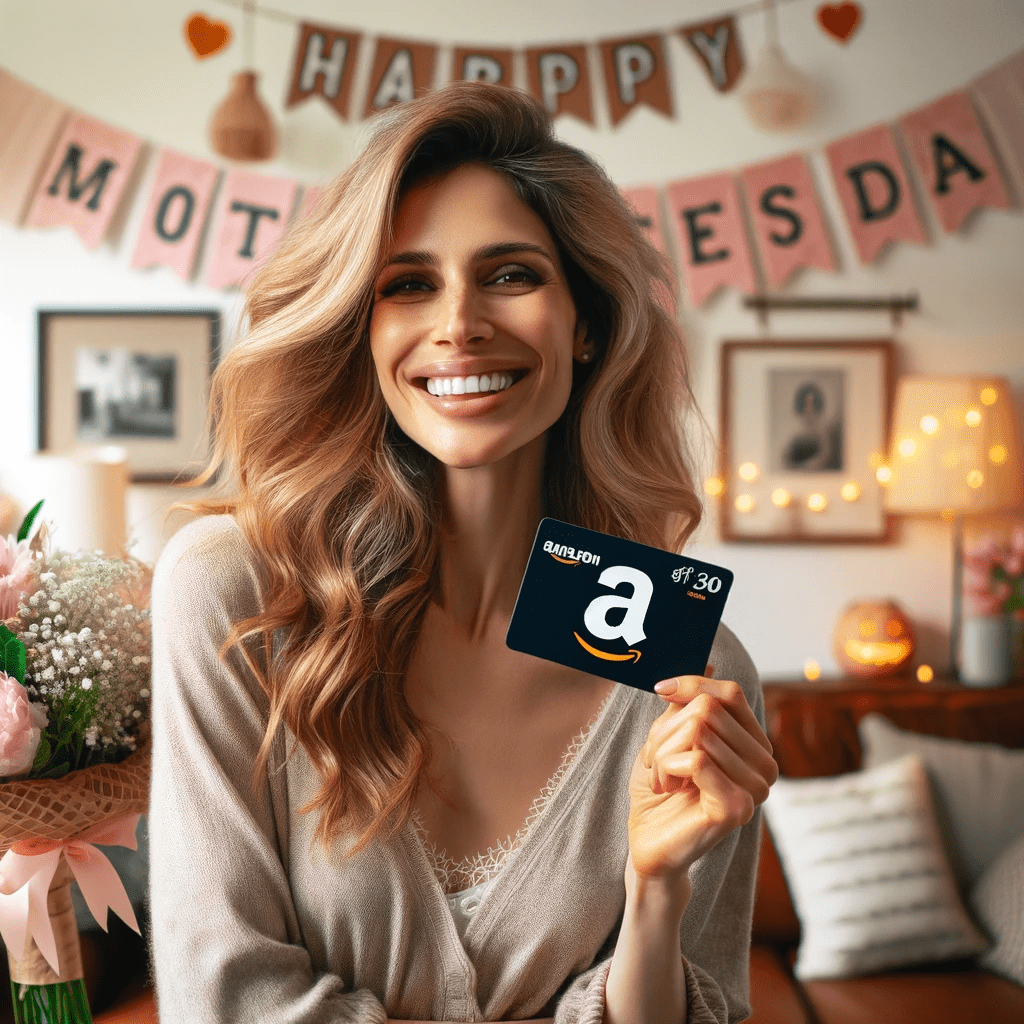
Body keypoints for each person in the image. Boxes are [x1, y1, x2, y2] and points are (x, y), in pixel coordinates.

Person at [149, 82, 777, 1024]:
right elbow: (221, 997)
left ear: (588, 322)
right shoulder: (234, 593)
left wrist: (653, 899)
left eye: (512, 274)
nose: (458, 323)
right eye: (408, 284)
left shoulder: (690, 666)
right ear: (363, 329)